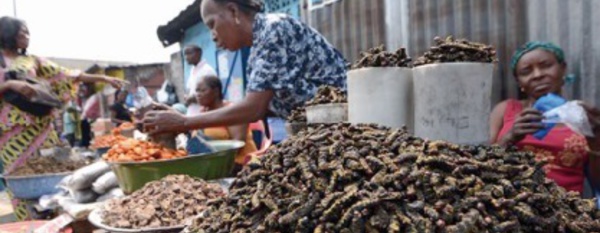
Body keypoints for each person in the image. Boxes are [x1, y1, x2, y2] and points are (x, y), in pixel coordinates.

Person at [143, 0, 347, 136]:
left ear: (233, 12)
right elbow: (259, 107)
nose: (213, 36)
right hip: (317, 133)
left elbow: (254, 108)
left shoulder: (274, 29)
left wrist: (185, 122)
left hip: (345, 130)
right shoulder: (256, 51)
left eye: (212, 24)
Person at [0, 16, 125, 220]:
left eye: (27, 32)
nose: (27, 37)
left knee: (52, 172)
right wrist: (9, 85)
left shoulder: (33, 60)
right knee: (19, 178)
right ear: (7, 33)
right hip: (11, 133)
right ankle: (27, 223)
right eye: (22, 32)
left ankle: (55, 219)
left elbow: (66, 75)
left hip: (40, 127)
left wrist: (102, 77)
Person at [489, 41, 600, 194]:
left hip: (567, 209)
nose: (538, 75)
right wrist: (509, 138)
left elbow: (597, 183)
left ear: (563, 69)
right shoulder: (505, 110)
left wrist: (596, 142)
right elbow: (478, 163)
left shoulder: (582, 116)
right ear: (519, 82)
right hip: (509, 203)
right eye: (526, 71)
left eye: (546, 66)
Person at [196, 75, 257, 171]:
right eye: (197, 91)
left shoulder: (233, 112)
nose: (198, 94)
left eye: (203, 90)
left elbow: (238, 146)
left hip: (241, 164)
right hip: (217, 162)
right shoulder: (203, 112)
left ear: (216, 91)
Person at [184, 45, 217, 117]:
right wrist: (187, 97)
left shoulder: (207, 70)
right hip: (192, 113)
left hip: (203, 115)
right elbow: (189, 89)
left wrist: (193, 99)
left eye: (189, 54)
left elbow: (212, 95)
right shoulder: (192, 70)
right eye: (185, 54)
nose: (186, 57)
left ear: (199, 53)